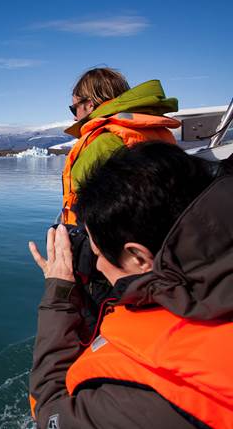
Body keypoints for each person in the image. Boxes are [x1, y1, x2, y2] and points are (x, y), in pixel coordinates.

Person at [28, 142, 233, 428]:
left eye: (98, 254)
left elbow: (50, 412)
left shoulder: (139, 401)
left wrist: (60, 292)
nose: (97, 265)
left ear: (138, 257)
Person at [61, 68, 180, 225]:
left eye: (74, 108)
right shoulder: (147, 131)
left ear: (89, 105)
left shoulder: (104, 143)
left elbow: (86, 203)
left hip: (104, 240)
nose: (74, 116)